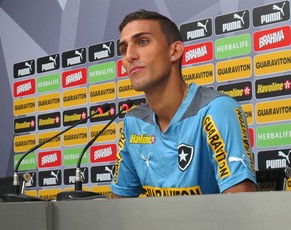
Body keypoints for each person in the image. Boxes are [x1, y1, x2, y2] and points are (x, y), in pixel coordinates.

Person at [110, 9, 256, 198]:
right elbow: (119, 209)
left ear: (175, 51)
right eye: (123, 49)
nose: (129, 55)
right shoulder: (134, 122)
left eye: (142, 42)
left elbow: (241, 206)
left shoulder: (216, 110)